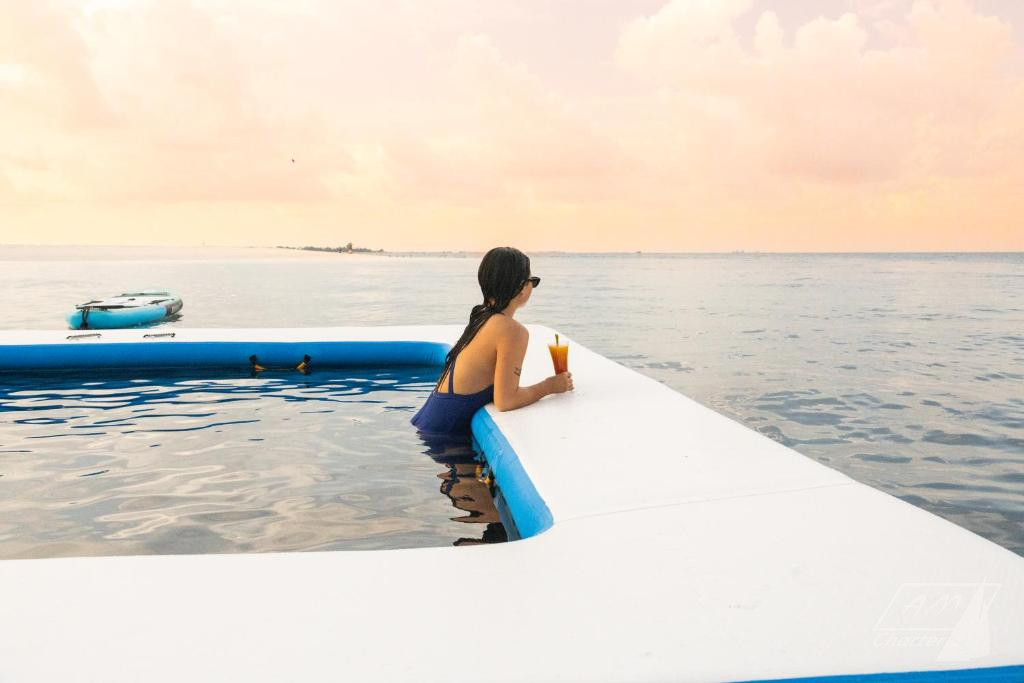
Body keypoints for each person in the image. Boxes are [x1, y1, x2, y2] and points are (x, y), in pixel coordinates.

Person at [410, 246, 573, 442]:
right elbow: (506, 401)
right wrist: (550, 386)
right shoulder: (512, 331)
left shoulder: (481, 318)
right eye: (533, 281)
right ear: (521, 288)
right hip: (441, 438)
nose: (532, 286)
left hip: (427, 424)